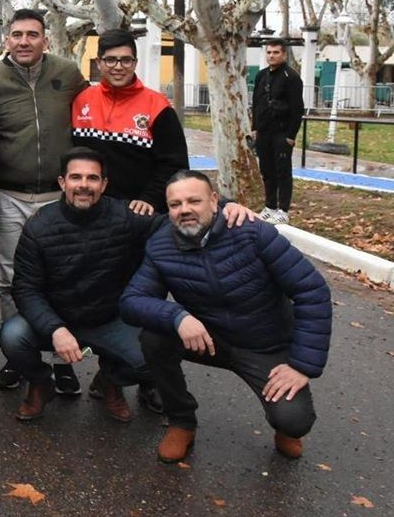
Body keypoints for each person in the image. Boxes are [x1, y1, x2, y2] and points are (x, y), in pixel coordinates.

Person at [121, 170, 332, 463]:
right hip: (210, 339)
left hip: (265, 346)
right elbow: (132, 301)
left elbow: (312, 291)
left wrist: (301, 366)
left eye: (194, 200)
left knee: (294, 419)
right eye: (175, 204)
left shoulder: (253, 232)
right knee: (155, 338)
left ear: (215, 201)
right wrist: (177, 317)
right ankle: (182, 421)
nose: (185, 210)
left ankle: (286, 430)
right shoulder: (160, 246)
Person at [0, 147, 165, 423]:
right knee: (12, 337)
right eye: (76, 178)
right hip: (57, 318)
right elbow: (26, 289)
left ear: (104, 184)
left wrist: (224, 207)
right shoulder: (39, 226)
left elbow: (181, 218)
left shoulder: (126, 216)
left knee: (155, 359)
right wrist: (55, 329)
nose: (84, 185)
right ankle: (41, 384)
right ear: (62, 182)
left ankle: (110, 381)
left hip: (109, 319)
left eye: (92, 178)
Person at [0, 8, 88, 393]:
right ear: (7, 39)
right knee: (11, 279)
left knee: (63, 278)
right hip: (9, 195)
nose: (24, 42)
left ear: (46, 39)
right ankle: (19, 357)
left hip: (59, 197)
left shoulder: (68, 73)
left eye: (32, 35)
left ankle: (64, 362)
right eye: (17, 35)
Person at [72, 28, 188, 213]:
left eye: (126, 60)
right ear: (99, 63)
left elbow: (175, 164)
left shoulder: (157, 105)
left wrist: (150, 199)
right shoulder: (81, 101)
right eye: (110, 59)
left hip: (138, 214)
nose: (118, 67)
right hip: (90, 211)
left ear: (135, 63)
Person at [251, 40, 305, 224]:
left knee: (282, 171)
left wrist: (291, 136)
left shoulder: (292, 77)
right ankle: (270, 205)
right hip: (263, 133)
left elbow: (298, 109)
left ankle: (283, 209)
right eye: (269, 52)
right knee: (267, 170)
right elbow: (256, 104)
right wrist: (254, 129)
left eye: (275, 52)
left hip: (282, 133)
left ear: (284, 55)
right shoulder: (261, 76)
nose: (271, 55)